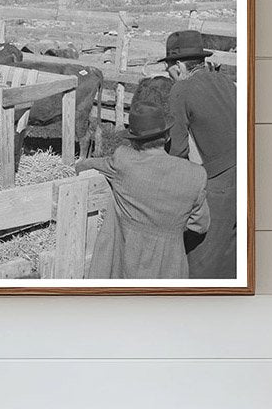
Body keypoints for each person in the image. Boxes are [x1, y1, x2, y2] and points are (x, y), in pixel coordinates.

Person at [77, 102, 209, 279]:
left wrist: (79, 165)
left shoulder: (124, 160)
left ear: (133, 141)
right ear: (168, 136)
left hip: (127, 259)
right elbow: (200, 225)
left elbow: (88, 165)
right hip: (170, 265)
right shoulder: (195, 174)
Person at [162, 29, 238, 279]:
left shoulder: (180, 90)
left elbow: (178, 151)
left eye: (170, 68)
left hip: (220, 184)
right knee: (233, 251)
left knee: (202, 259)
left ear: (180, 66)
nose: (169, 74)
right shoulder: (226, 80)